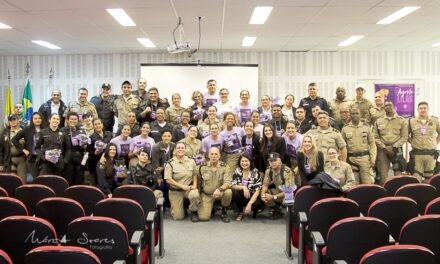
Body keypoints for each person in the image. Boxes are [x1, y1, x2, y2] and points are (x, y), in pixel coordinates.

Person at [373, 101, 408, 185]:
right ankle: (384, 193)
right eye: (386, 105)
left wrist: (394, 146)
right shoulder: (378, 121)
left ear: (394, 107)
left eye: (390, 105)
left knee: (398, 171)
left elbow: (404, 137)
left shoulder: (401, 120)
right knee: (383, 174)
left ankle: (398, 190)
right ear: (383, 108)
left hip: (396, 149)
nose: (388, 107)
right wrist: (384, 147)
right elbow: (375, 137)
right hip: (383, 150)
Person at [164, 142, 199, 222]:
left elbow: (194, 175)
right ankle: (182, 207)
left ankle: (193, 211)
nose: (180, 149)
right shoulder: (170, 163)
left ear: (185, 149)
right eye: (178, 148)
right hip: (175, 191)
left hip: (188, 189)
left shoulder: (191, 161)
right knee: (178, 217)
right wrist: (182, 186)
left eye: (182, 148)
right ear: (175, 150)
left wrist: (195, 185)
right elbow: (168, 179)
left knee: (194, 194)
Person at [341, 108, 377, 184]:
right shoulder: (345, 128)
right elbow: (342, 146)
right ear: (350, 115)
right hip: (351, 159)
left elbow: (372, 144)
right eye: (353, 114)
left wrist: (373, 158)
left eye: (357, 113)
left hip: (365, 159)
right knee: (353, 183)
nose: (355, 115)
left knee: (367, 183)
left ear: (360, 114)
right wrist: (343, 161)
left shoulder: (366, 127)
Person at [198, 147, 232, 223]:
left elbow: (228, 182)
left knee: (228, 192)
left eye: (216, 154)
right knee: (203, 217)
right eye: (212, 154)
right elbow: (199, 182)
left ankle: (224, 211)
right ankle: (212, 207)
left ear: (219, 156)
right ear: (208, 155)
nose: (214, 156)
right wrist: (199, 196)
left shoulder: (225, 167)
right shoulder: (202, 167)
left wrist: (219, 189)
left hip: (220, 193)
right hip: (207, 194)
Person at [408, 102, 440, 182]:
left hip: (430, 155)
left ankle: (428, 193)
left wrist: (436, 142)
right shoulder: (411, 121)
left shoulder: (434, 120)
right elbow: (405, 135)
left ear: (428, 109)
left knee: (429, 179)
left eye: (425, 108)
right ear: (417, 110)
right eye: (421, 108)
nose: (423, 110)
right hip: (417, 155)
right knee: (416, 178)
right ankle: (417, 194)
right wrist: (412, 142)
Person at [12, 112, 46, 179]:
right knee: (36, 178)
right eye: (35, 118)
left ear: (42, 119)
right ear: (32, 120)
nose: (37, 120)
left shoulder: (46, 129)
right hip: (31, 158)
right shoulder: (27, 129)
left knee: (43, 178)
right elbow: (14, 140)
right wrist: (23, 150)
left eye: (39, 118)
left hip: (43, 158)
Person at [260, 152, 294, 219]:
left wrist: (273, 197)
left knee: (288, 199)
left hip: (289, 194)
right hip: (278, 192)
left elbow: (289, 191)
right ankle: (278, 211)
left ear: (280, 160)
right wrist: (262, 194)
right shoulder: (269, 171)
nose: (273, 163)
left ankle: (292, 214)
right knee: (264, 194)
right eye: (271, 161)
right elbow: (265, 185)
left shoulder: (287, 171)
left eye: (275, 160)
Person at [61, 112, 91, 185]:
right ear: (67, 120)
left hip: (79, 158)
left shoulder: (82, 130)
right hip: (68, 158)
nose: (73, 121)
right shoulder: (62, 131)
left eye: (75, 119)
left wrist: (85, 146)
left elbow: (87, 145)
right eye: (71, 119)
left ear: (78, 120)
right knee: (69, 180)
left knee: (79, 179)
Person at [231, 154, 263, 220]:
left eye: (246, 161)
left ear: (250, 162)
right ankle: (239, 212)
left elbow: (258, 190)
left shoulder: (255, 172)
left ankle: (254, 211)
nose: (244, 163)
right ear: (239, 162)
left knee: (257, 203)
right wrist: (243, 187)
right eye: (242, 161)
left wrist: (250, 203)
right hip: (241, 195)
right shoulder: (237, 171)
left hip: (252, 196)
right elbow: (232, 185)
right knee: (235, 192)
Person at [151, 129, 176, 208]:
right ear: (161, 137)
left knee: (170, 184)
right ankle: (162, 205)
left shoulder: (173, 146)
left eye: (169, 136)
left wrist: (165, 167)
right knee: (161, 185)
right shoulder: (156, 147)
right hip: (159, 171)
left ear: (171, 137)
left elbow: (174, 161)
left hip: (170, 170)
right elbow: (155, 163)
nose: (167, 138)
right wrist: (158, 177)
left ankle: (170, 204)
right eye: (165, 136)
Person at [0, 114, 26, 180]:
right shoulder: (5, 133)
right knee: (11, 181)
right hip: (9, 160)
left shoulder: (24, 130)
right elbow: (1, 149)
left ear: (18, 120)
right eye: (10, 120)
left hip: (22, 159)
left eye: (14, 119)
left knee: (22, 180)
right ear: (8, 122)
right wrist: (1, 163)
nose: (12, 121)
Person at [89, 118, 113, 185]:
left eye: (99, 124)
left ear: (102, 125)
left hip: (109, 161)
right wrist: (95, 153)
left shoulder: (109, 134)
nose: (97, 126)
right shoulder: (91, 137)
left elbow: (113, 146)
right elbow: (90, 153)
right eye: (95, 124)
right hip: (96, 161)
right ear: (93, 126)